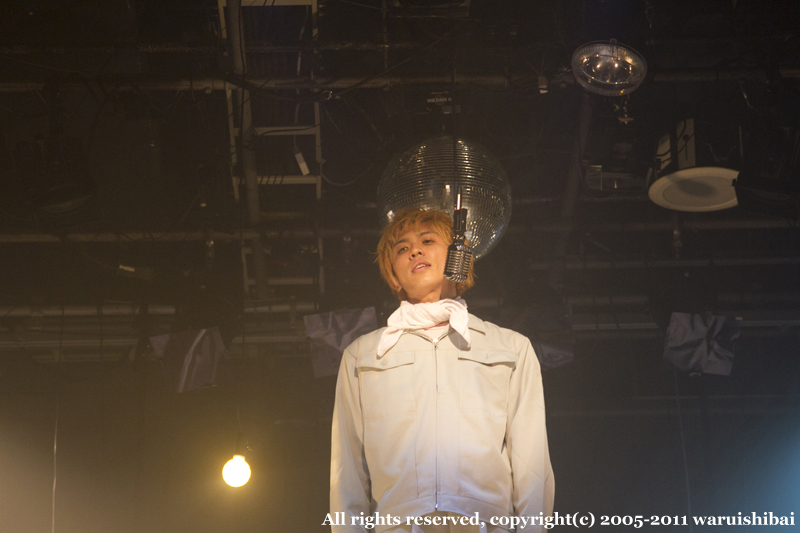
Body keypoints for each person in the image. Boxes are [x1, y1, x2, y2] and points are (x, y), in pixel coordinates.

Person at [330, 208, 554, 533]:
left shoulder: (510, 347)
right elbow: (347, 470)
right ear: (393, 276)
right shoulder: (362, 355)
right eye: (402, 248)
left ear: (458, 257)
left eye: (427, 240)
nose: (414, 251)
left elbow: (531, 462)